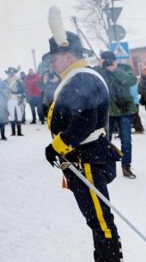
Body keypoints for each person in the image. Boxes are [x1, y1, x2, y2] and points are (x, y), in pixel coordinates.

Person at [43, 18, 122, 261]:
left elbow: (84, 120)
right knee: (96, 219)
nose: (53, 63)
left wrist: (56, 146)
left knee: (100, 219)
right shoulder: (77, 77)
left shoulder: (81, 78)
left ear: (68, 56)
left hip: (86, 157)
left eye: (55, 58)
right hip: (83, 157)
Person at [96, 51, 139, 179]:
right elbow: (92, 82)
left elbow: (130, 80)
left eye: (110, 61)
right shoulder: (99, 71)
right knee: (105, 140)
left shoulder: (124, 68)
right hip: (107, 111)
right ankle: (104, 166)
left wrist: (115, 70)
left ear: (114, 60)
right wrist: (101, 67)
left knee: (126, 140)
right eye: (105, 60)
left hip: (124, 110)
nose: (108, 63)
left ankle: (126, 167)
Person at [5, 67, 25, 136]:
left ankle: (19, 132)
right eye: (10, 72)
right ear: (8, 73)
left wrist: (22, 96)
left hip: (18, 98)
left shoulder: (18, 80)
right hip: (10, 98)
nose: (11, 74)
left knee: (19, 115)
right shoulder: (5, 81)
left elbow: (23, 89)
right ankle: (13, 132)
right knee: (11, 115)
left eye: (13, 72)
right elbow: (4, 90)